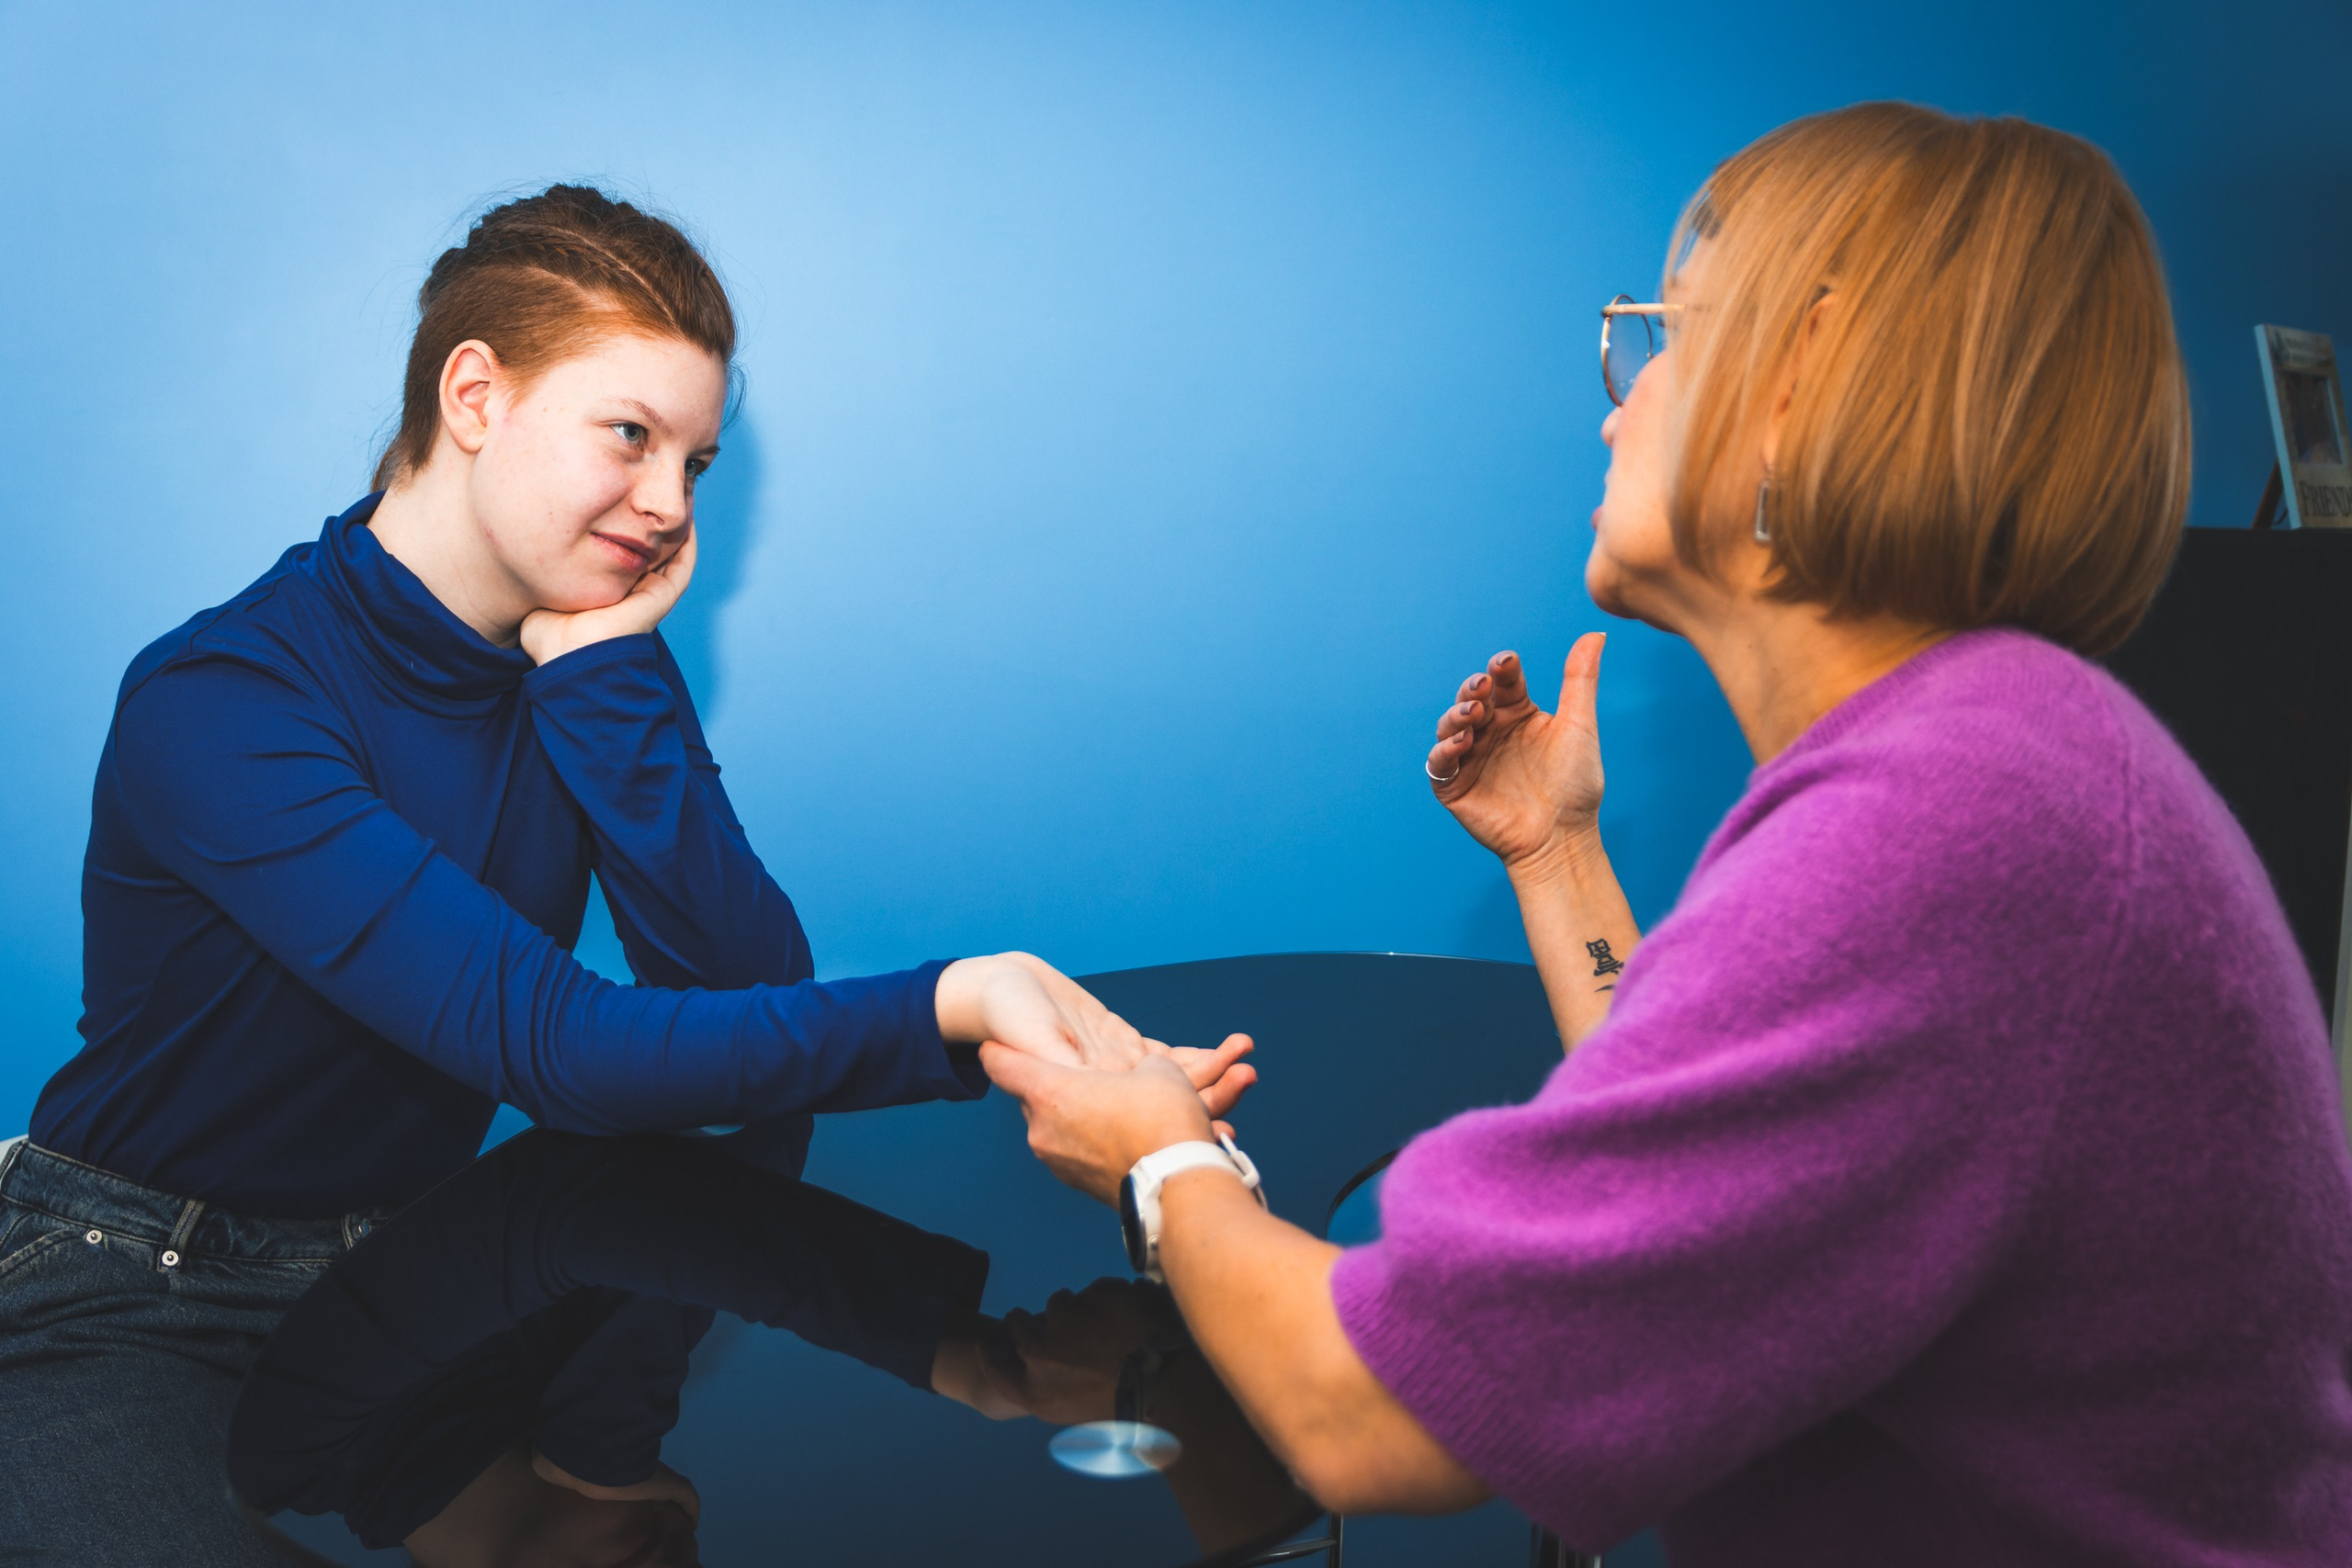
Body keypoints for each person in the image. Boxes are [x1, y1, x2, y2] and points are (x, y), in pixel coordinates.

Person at [982, 103, 2352, 1565]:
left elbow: (1373, 1412)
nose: (1615, 404)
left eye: (1663, 336)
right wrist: (1557, 856)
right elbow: (1725, 1195)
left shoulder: (1952, 832)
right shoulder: (1998, 763)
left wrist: (1162, 1158)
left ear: (1802, 378)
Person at [0, 186, 1251, 1567]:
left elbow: (742, 993)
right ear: (475, 395)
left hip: (403, 1272)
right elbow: (562, 1049)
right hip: (127, 1290)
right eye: (632, 437)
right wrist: (961, 997)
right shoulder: (222, 701)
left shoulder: (578, 661)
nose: (664, 507)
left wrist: (604, 683)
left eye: (696, 466)